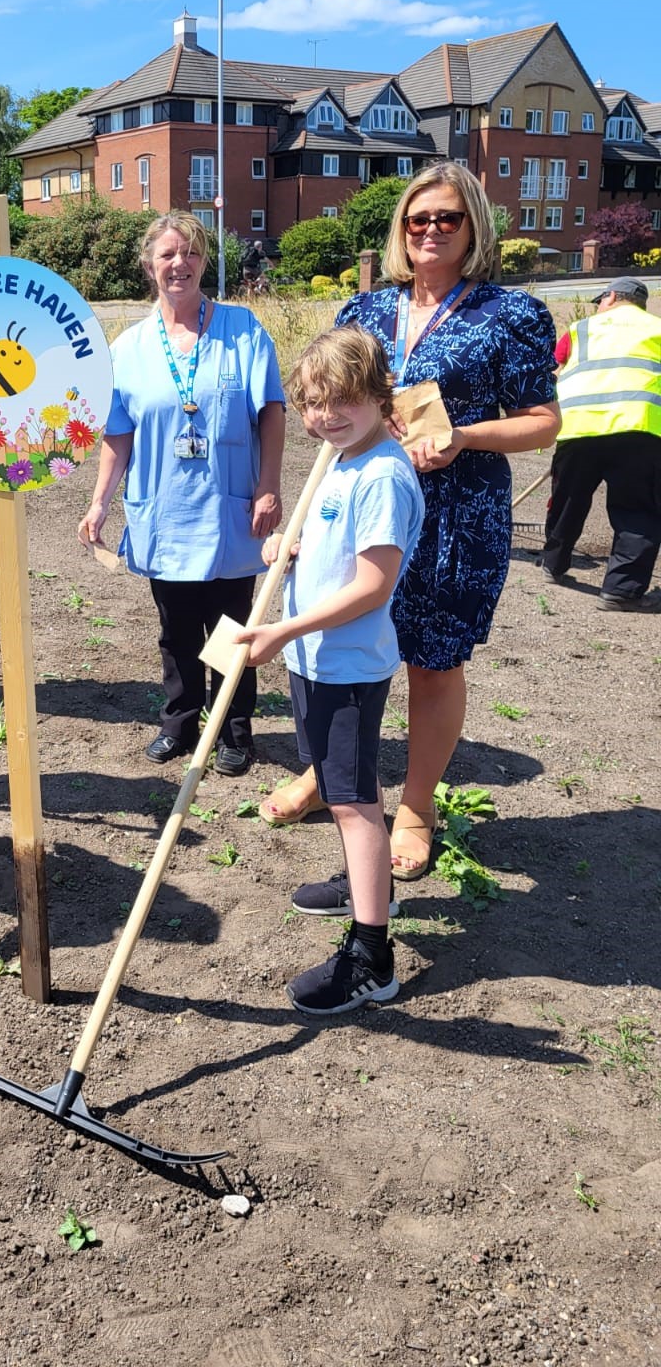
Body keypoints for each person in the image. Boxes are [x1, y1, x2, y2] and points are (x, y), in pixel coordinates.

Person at [257, 163, 560, 881]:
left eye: (447, 218)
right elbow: (331, 409)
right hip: (358, 505)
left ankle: (417, 806)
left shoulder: (509, 316)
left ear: (473, 225)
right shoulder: (362, 314)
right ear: (400, 229)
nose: (430, 230)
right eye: (417, 219)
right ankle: (324, 774)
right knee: (340, 647)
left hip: (456, 517)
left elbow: (545, 423)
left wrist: (462, 438)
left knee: (430, 661)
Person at [236, 325, 424, 1014]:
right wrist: (294, 543)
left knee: (352, 802)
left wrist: (284, 627)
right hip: (315, 659)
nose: (325, 415)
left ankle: (372, 956)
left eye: (343, 399)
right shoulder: (340, 459)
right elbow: (334, 543)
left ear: (379, 396)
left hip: (346, 664)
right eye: (313, 402)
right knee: (341, 784)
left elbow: (374, 584)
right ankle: (363, 881)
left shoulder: (382, 473)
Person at [78, 211, 286, 775]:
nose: (180, 263)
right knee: (175, 629)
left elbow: (271, 410)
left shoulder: (243, 330)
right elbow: (117, 434)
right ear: (150, 264)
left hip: (229, 506)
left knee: (230, 624)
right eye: (168, 253)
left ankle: (233, 727)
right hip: (164, 508)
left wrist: (269, 486)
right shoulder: (128, 347)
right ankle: (181, 720)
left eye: (191, 252)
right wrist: (99, 499)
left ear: (204, 262)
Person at [542, 276, 661, 610]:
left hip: (579, 425)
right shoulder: (656, 328)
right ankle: (620, 591)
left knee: (567, 501)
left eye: (601, 299)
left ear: (611, 296)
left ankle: (553, 564)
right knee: (637, 511)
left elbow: (554, 370)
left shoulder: (580, 329)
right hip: (638, 427)